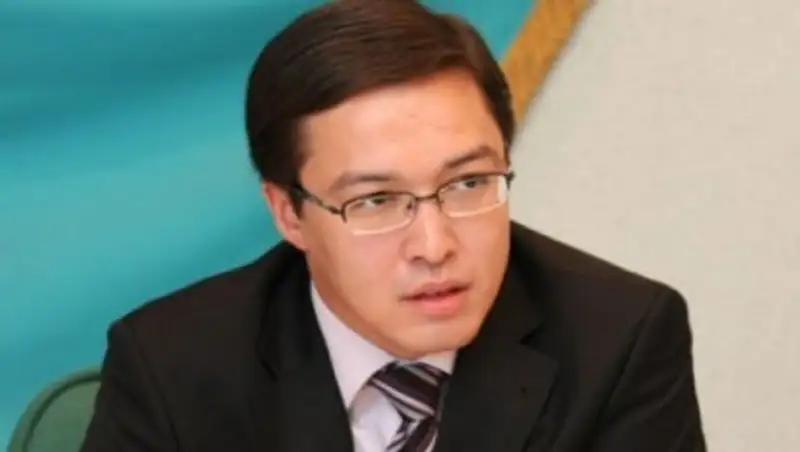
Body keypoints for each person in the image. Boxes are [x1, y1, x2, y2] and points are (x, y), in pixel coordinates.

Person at [79, 1, 706, 451]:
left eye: (468, 184)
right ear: (289, 213)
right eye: (376, 201)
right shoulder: (174, 367)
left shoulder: (618, 339)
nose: (435, 246)